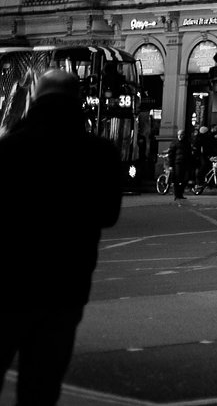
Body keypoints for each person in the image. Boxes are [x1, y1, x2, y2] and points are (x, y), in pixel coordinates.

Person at [0, 70, 125, 406]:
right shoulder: (100, 153)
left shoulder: (9, 148)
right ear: (79, 103)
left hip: (8, 283)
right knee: (41, 385)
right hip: (65, 286)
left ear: (36, 100)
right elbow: (108, 215)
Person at [168, 128, 190, 201]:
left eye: (181, 134)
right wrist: (171, 165)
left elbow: (189, 154)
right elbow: (171, 155)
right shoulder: (174, 143)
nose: (180, 136)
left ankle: (180, 193)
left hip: (186, 163)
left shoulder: (187, 143)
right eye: (178, 135)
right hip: (177, 163)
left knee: (185, 179)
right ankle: (177, 194)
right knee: (177, 179)